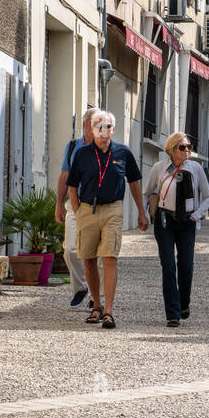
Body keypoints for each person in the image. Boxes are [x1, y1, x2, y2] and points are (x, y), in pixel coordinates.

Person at [66, 109, 148, 329]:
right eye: (98, 127)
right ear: (92, 129)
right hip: (87, 209)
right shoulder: (82, 154)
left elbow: (134, 183)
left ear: (113, 129)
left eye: (107, 127)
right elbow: (71, 186)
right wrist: (78, 212)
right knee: (89, 259)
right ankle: (97, 305)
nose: (103, 131)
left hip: (113, 208)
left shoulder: (123, 153)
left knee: (109, 257)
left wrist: (141, 211)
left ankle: (109, 311)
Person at [144, 133, 209, 326]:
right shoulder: (159, 168)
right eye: (182, 147)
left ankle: (184, 303)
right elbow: (147, 192)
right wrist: (145, 215)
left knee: (186, 266)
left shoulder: (195, 168)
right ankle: (172, 313)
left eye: (188, 147)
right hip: (165, 220)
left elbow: (208, 196)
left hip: (187, 220)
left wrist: (196, 215)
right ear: (171, 149)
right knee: (168, 266)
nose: (187, 151)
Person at [55, 107, 101, 309]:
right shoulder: (73, 146)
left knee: (99, 252)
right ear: (85, 125)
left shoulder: (105, 146)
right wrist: (58, 204)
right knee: (70, 250)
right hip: (75, 204)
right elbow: (64, 176)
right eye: (94, 124)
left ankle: (97, 297)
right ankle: (81, 287)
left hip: (99, 206)